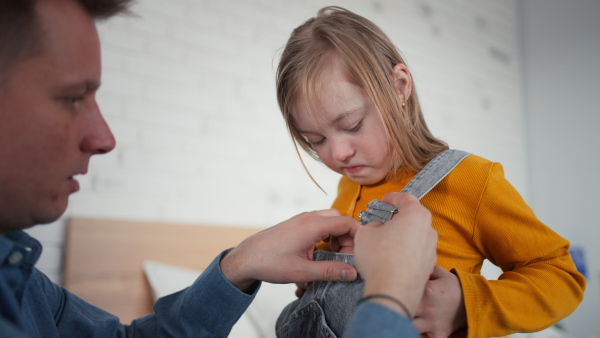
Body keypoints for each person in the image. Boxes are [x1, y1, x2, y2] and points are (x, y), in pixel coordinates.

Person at [0, 0, 437, 337]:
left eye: (351, 125)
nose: (104, 138)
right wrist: (391, 293)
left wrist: (237, 266)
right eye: (73, 98)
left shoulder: (22, 283)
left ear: (400, 87)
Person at [275, 6, 586, 338]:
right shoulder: (347, 188)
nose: (338, 154)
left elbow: (560, 275)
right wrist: (316, 270)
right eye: (316, 139)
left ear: (399, 87)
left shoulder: (471, 179)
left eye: (351, 125)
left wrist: (466, 304)